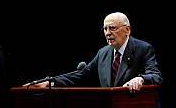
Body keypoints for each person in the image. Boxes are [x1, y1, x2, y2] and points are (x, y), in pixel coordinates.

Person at [26, 12, 162, 92]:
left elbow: (156, 76)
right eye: (105, 29)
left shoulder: (143, 49)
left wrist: (141, 78)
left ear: (127, 30)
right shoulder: (103, 53)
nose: (107, 33)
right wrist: (51, 83)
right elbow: (80, 75)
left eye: (112, 28)